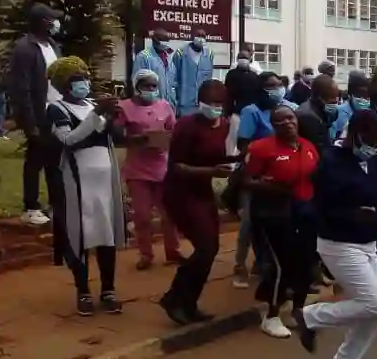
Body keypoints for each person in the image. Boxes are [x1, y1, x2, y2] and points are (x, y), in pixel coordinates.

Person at [293, 108, 377, 359]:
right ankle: (309, 317)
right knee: (375, 303)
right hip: (338, 243)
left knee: (374, 312)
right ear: (356, 136)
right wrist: (351, 212)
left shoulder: (374, 161)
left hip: (367, 242)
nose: (375, 148)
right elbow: (319, 205)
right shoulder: (332, 161)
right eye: (370, 141)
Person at [46, 57, 126, 316]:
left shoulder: (94, 105)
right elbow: (69, 139)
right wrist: (97, 114)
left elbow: (111, 135)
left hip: (105, 180)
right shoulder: (56, 109)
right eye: (76, 80)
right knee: (80, 235)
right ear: (64, 85)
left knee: (106, 234)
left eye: (84, 78)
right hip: (79, 182)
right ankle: (83, 291)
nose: (84, 83)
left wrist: (112, 116)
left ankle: (108, 289)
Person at [160, 80, 235, 326]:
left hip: (203, 192)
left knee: (211, 249)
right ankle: (174, 297)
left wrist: (236, 161)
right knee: (204, 247)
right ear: (200, 102)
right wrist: (212, 171)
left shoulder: (224, 126)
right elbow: (177, 166)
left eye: (219, 104)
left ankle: (188, 302)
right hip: (180, 192)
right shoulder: (186, 125)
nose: (214, 108)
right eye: (210, 103)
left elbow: (218, 156)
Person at [244, 106, 319, 339]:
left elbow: (315, 176)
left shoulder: (308, 147)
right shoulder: (261, 148)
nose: (286, 123)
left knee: (305, 264)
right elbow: (246, 181)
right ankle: (271, 316)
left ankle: (297, 309)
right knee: (279, 266)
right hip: (272, 213)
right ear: (273, 126)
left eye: (290, 118)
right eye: (279, 121)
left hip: (304, 212)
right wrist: (269, 185)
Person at [115, 69, 181, 270]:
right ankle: (146, 254)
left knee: (169, 213)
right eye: (146, 86)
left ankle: (173, 251)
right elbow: (117, 135)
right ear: (136, 87)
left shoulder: (164, 106)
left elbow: (174, 130)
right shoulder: (124, 107)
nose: (150, 90)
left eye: (154, 86)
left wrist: (165, 139)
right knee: (142, 215)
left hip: (162, 166)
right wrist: (137, 139)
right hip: (138, 169)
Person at [8, 3, 64, 225]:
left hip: (56, 111)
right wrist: (29, 122)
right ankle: (30, 207)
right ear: (42, 22)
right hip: (38, 113)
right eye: (52, 19)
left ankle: (55, 204)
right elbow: (21, 87)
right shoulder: (24, 48)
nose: (56, 23)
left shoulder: (52, 45)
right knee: (34, 161)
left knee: (55, 162)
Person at [232, 72, 287, 288]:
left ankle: (262, 263)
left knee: (273, 221)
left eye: (278, 85)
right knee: (248, 222)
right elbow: (244, 144)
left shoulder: (285, 108)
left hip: (280, 174)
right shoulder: (251, 112)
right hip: (255, 173)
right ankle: (239, 266)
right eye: (270, 86)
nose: (276, 89)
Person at [171, 30, 215, 117]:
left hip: (203, 102)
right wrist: (174, 100)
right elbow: (173, 77)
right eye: (198, 35)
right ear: (192, 36)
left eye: (203, 36)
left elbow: (209, 77)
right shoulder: (181, 53)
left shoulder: (209, 54)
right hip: (185, 103)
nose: (201, 39)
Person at [224, 50, 260, 154]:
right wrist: (227, 112)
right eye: (241, 57)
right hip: (237, 113)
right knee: (233, 139)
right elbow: (228, 94)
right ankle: (231, 160)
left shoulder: (255, 76)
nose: (243, 60)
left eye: (245, 57)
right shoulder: (231, 75)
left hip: (252, 113)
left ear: (250, 60)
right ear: (237, 59)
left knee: (249, 139)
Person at [296, 73, 341, 155]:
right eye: (332, 100)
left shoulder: (321, 108)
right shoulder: (308, 117)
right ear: (319, 97)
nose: (335, 103)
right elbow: (319, 151)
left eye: (336, 98)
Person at [131, 30, 177, 108]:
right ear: (154, 40)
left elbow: (173, 82)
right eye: (162, 40)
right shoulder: (143, 56)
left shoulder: (168, 58)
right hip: (150, 106)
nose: (165, 42)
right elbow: (136, 82)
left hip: (168, 106)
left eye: (166, 40)